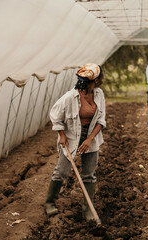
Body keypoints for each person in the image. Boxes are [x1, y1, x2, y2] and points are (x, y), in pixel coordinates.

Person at [45, 63, 106, 222]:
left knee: (89, 175)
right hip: (71, 137)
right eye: (100, 78)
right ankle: (50, 202)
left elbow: (101, 120)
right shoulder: (70, 97)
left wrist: (90, 138)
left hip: (91, 137)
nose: (101, 80)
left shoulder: (99, 95)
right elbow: (55, 115)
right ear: (94, 80)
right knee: (62, 171)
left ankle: (88, 211)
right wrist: (62, 134)